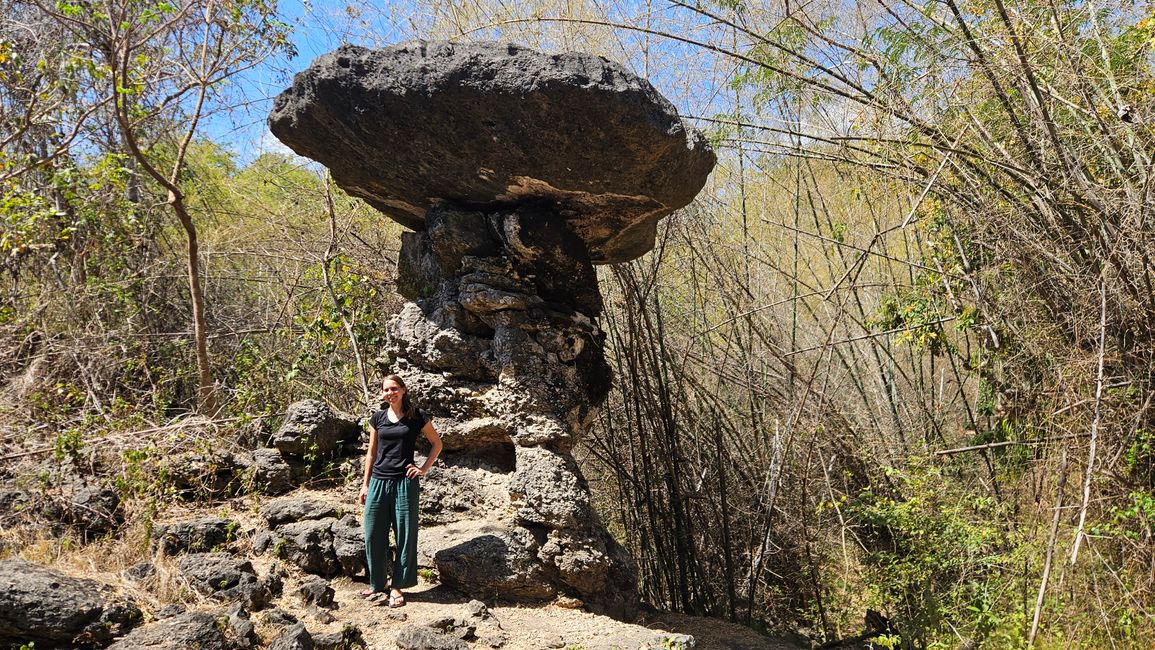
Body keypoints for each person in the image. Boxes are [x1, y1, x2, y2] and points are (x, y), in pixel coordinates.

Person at [358, 374, 443, 608]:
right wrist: (365, 484)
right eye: (386, 390)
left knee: (405, 535)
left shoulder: (417, 416)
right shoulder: (377, 418)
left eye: (394, 388)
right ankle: (378, 583)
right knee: (373, 532)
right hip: (378, 482)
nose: (390, 393)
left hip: (405, 483)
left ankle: (397, 586)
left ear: (403, 390)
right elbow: (371, 453)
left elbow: (437, 444)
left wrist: (423, 469)